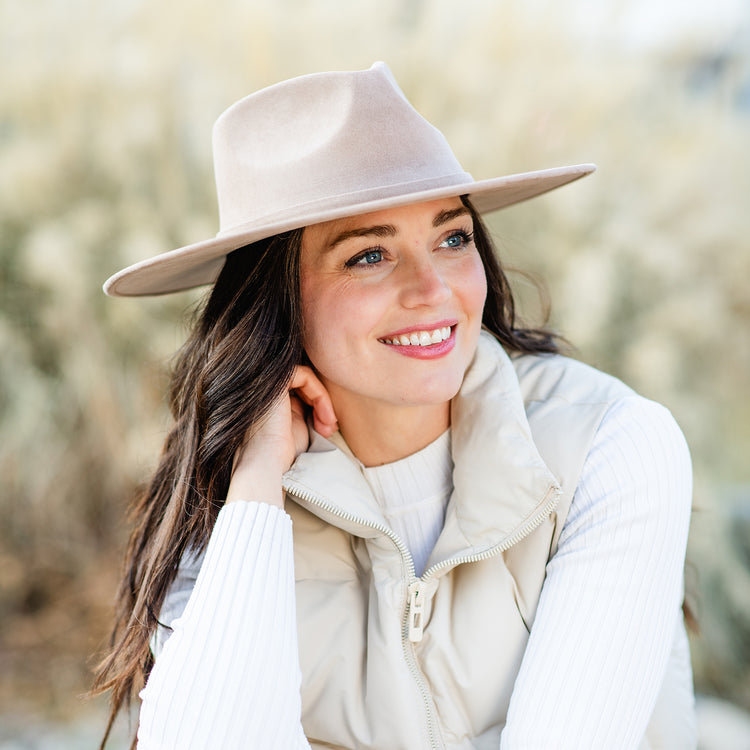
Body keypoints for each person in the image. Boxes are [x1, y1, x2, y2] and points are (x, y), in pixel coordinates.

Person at [94, 62, 696, 749]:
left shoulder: (609, 444)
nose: (432, 289)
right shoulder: (230, 510)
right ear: (275, 302)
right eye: (369, 255)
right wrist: (257, 483)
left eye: (452, 237)